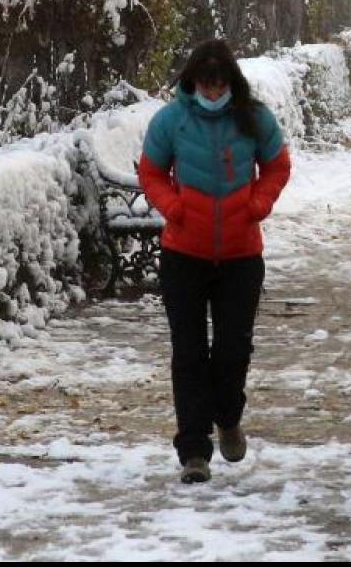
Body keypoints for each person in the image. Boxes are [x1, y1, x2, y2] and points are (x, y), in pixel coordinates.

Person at [138, 40, 292, 484]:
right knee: (188, 352)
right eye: (205, 86)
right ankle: (193, 451)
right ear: (192, 82)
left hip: (241, 255)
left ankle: (228, 415)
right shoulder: (171, 121)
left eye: (219, 85)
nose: (212, 93)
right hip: (183, 254)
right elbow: (151, 172)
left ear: (231, 83)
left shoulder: (254, 117)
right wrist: (175, 206)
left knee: (232, 350)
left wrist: (258, 203)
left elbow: (278, 166)